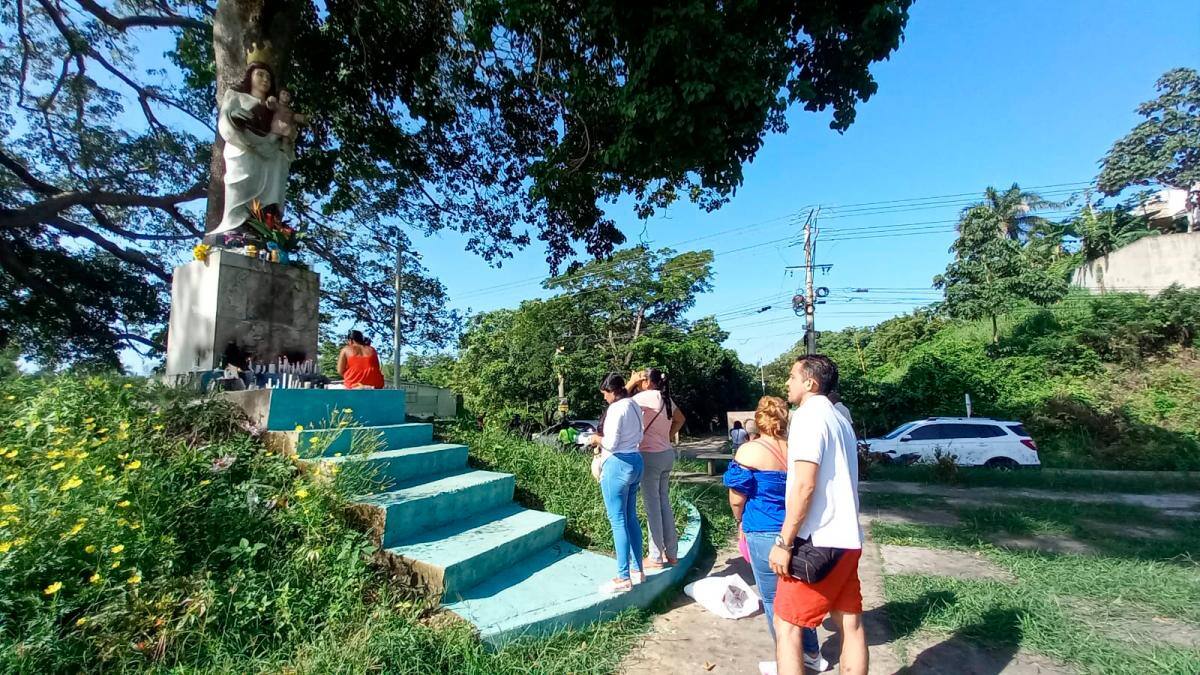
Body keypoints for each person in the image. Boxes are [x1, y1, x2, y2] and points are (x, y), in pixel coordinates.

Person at [769, 356, 865, 675]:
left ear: (810, 383)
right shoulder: (839, 418)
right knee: (849, 622)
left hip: (818, 540)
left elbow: (805, 485)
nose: (787, 382)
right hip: (848, 538)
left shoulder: (808, 417)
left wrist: (784, 542)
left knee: (787, 625)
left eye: (792, 376)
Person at [723, 397, 827, 672]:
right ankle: (812, 654)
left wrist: (740, 522)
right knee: (799, 597)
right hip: (800, 531)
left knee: (773, 601)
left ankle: (788, 661)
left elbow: (736, 497)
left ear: (759, 419)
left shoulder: (749, 451)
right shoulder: (797, 448)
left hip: (764, 531)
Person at [212, 61, 295, 236]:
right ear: (250, 76)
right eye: (260, 75)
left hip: (270, 148)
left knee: (278, 167)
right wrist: (233, 116)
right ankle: (236, 223)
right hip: (244, 144)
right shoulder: (235, 96)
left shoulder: (274, 106)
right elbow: (225, 119)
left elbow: (287, 128)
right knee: (243, 173)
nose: (265, 80)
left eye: (268, 77)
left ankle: (267, 224)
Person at [586, 373, 645, 594]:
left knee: (617, 521)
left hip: (617, 464)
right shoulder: (634, 404)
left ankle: (623, 577)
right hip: (636, 461)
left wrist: (595, 439)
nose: (605, 399)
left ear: (612, 391)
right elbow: (640, 433)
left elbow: (610, 441)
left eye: (605, 394)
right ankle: (638, 570)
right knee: (630, 517)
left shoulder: (616, 408)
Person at [630, 368, 686, 569]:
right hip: (666, 454)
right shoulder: (665, 399)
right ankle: (672, 553)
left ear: (647, 381)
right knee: (664, 504)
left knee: (653, 508)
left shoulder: (644, 397)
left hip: (650, 456)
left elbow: (618, 404)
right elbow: (681, 419)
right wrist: (667, 436)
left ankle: (655, 556)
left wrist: (630, 382)